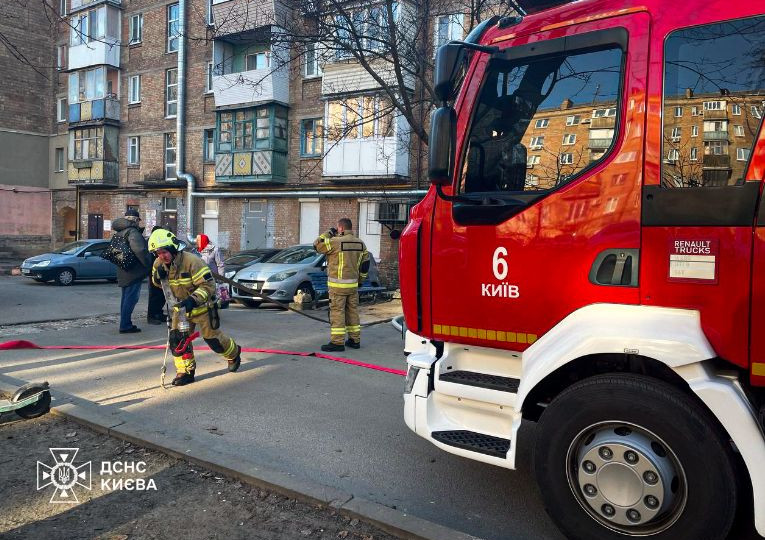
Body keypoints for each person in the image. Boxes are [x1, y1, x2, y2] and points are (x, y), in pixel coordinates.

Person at [149, 228, 242, 386]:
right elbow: (158, 284)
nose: (161, 256)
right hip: (180, 309)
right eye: (158, 253)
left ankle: (234, 353)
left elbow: (208, 285)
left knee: (213, 341)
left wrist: (193, 300)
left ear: (172, 249)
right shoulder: (159, 263)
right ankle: (185, 372)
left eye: (164, 252)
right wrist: (157, 277)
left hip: (203, 307)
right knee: (177, 340)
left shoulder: (192, 261)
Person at [314, 218, 370, 352]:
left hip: (337, 286)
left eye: (338, 229)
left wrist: (328, 233)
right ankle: (354, 340)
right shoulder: (361, 244)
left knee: (337, 313)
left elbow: (316, 245)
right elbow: (365, 266)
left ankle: (337, 343)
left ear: (340, 228)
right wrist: (360, 281)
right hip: (353, 286)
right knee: (352, 312)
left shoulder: (335, 242)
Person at [112, 209, 151, 334]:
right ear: (135, 220)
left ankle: (125, 323)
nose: (139, 223)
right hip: (133, 271)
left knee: (126, 298)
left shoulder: (120, 232)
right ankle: (125, 325)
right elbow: (140, 250)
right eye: (138, 220)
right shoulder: (132, 232)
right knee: (131, 299)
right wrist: (149, 264)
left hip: (123, 269)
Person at [197, 234, 229, 308]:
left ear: (203, 240)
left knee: (214, 297)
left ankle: (216, 308)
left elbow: (220, 264)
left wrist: (221, 278)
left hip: (212, 278)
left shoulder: (214, 250)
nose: (197, 242)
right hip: (199, 278)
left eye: (198, 240)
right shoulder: (196, 251)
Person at [147, 226, 167, 325]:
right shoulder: (151, 245)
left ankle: (159, 313)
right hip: (153, 273)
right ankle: (151, 316)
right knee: (154, 296)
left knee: (161, 295)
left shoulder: (159, 243)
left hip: (160, 272)